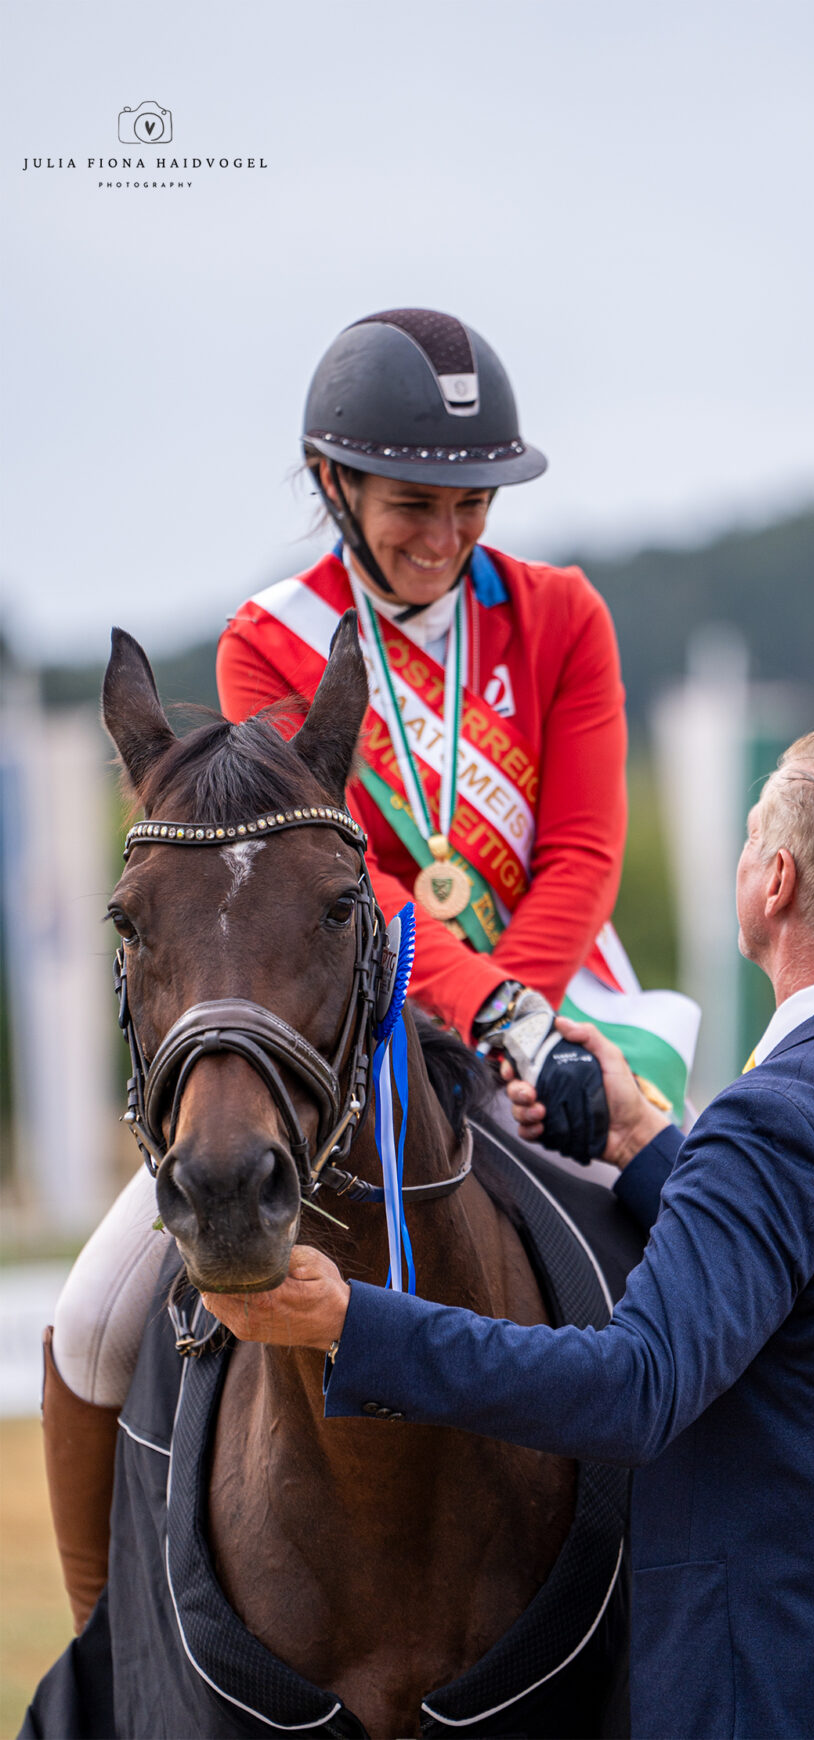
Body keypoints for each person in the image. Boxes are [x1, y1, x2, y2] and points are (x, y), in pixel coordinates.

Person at [44, 306, 695, 1634]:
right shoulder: (269, 642)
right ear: (334, 483)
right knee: (94, 1319)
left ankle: (706, 1615)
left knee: (716, 1255)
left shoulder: (562, 617)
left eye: (472, 504)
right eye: (414, 504)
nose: (447, 536)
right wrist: (481, 1012)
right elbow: (347, 886)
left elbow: (580, 845)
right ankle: (111, 1655)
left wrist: (529, 1020)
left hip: (573, 1000)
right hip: (349, 1014)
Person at [207, 727, 814, 1740]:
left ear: (772, 881)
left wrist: (353, 1324)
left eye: (747, 839)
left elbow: (633, 1389)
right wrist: (648, 1143)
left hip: (787, 1693)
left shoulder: (775, 1118)